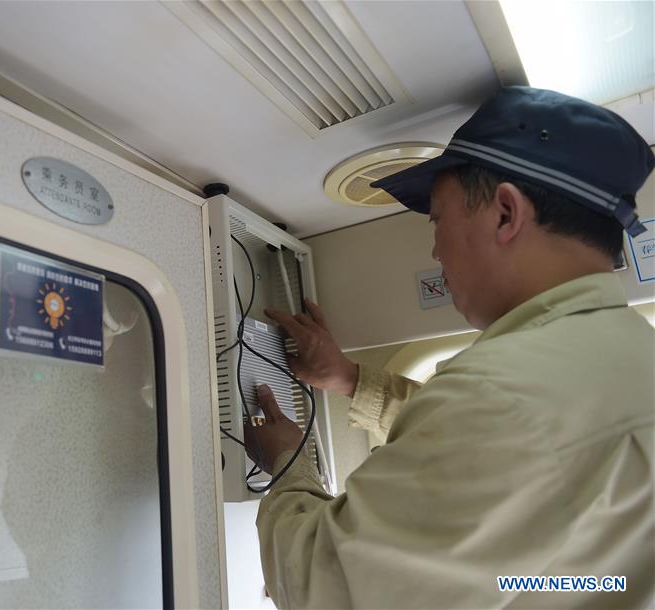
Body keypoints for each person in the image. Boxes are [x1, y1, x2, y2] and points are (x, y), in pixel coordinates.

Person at [245, 87, 654, 609]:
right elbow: (496, 445)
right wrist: (350, 379)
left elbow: (322, 585)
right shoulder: (630, 352)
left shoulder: (500, 393)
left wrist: (286, 461)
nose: (436, 248)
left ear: (505, 213)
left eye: (438, 220)